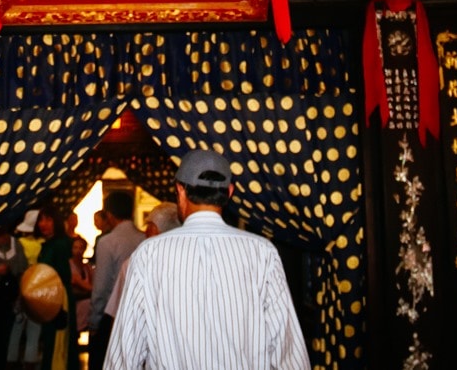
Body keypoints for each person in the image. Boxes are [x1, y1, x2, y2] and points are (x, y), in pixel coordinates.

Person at [105, 150, 311, 370]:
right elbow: (289, 352)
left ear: (180, 191)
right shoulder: (262, 252)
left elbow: (125, 353)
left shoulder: (149, 254)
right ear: (229, 192)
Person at [87, 191, 144, 370]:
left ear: (110, 215)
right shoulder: (145, 238)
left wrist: (94, 321)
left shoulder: (107, 241)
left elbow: (101, 288)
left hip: (111, 315)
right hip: (139, 314)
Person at [103, 201, 180, 322]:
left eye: (148, 225)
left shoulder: (137, 263)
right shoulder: (191, 262)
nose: (145, 232)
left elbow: (118, 313)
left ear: (155, 229)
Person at [35, 205, 80, 370]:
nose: (43, 224)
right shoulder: (51, 243)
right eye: (40, 220)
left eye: (48, 219)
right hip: (52, 298)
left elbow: (63, 276)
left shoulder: (60, 244)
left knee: (58, 344)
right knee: (52, 341)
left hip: (59, 299)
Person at [0, 224, 29, 370]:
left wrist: (21, 295)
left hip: (9, 298)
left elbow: (23, 270)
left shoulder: (16, 244)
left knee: (4, 336)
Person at [8, 209, 43, 370]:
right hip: (39, 289)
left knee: (16, 328)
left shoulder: (17, 243)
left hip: (21, 287)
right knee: (34, 330)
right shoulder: (43, 244)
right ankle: (30, 362)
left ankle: (12, 361)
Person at [69, 235, 94, 333]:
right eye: (75, 248)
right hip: (76, 304)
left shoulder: (87, 267)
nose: (78, 251)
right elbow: (85, 285)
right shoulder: (69, 266)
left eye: (81, 248)